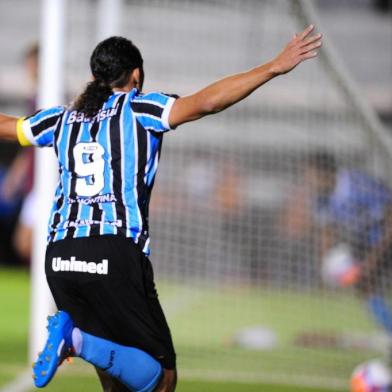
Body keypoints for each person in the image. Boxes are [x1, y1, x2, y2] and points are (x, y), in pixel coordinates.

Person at [0, 26, 322, 392]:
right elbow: (206, 102)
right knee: (162, 379)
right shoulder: (140, 108)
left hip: (60, 257)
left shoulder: (60, 118)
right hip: (113, 251)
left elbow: (7, 127)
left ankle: (78, 340)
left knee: (116, 379)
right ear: (136, 75)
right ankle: (75, 342)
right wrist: (273, 68)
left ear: (95, 78)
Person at [285, 151, 392, 341]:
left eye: (309, 175)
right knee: (364, 286)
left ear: (323, 172)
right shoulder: (321, 198)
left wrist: (370, 262)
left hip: (385, 237)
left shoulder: (359, 185)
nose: (307, 181)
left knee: (367, 280)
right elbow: (326, 230)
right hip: (367, 243)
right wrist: (326, 265)